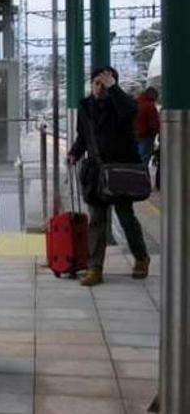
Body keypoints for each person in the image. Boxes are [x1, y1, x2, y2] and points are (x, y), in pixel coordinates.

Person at [67, 67, 151, 286]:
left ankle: (141, 257)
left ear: (113, 84)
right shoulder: (85, 106)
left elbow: (131, 111)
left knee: (126, 217)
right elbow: (83, 135)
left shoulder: (122, 104)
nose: (99, 87)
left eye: (104, 82)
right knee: (97, 220)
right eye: (96, 82)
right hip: (96, 172)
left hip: (120, 170)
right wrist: (75, 152)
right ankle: (95, 268)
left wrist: (114, 88)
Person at [135, 86, 160, 168]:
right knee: (144, 161)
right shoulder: (150, 106)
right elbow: (154, 124)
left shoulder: (135, 102)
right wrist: (156, 133)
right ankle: (142, 178)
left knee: (136, 161)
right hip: (145, 137)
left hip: (134, 136)